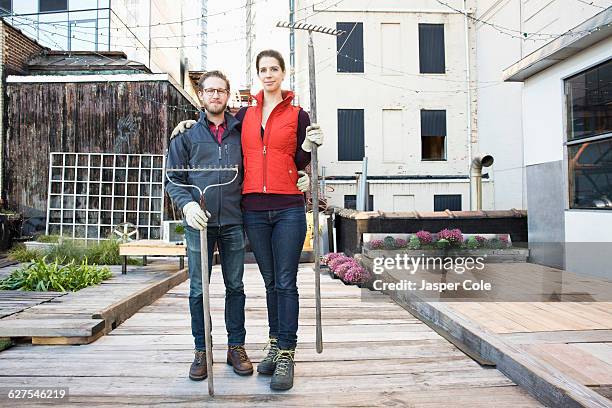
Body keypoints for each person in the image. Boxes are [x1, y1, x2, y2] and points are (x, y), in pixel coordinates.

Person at [166, 70, 312, 384]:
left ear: (228, 95)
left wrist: (299, 173)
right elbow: (173, 178)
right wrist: (188, 205)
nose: (215, 96)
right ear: (201, 96)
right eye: (209, 91)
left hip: (234, 221)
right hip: (199, 224)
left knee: (236, 288)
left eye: (221, 91)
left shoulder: (241, 129)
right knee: (197, 290)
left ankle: (236, 347)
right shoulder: (186, 136)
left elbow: (267, 158)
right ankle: (202, 350)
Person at [236, 49, 323, 391]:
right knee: (270, 281)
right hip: (254, 210)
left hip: (288, 206)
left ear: (283, 73)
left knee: (286, 282)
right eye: (263, 69)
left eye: (274, 68)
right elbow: (219, 134)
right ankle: (274, 342)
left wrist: (312, 151)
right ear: (257, 74)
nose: (268, 74)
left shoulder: (299, 114)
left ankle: (287, 351)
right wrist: (189, 124)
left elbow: (302, 158)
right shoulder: (243, 114)